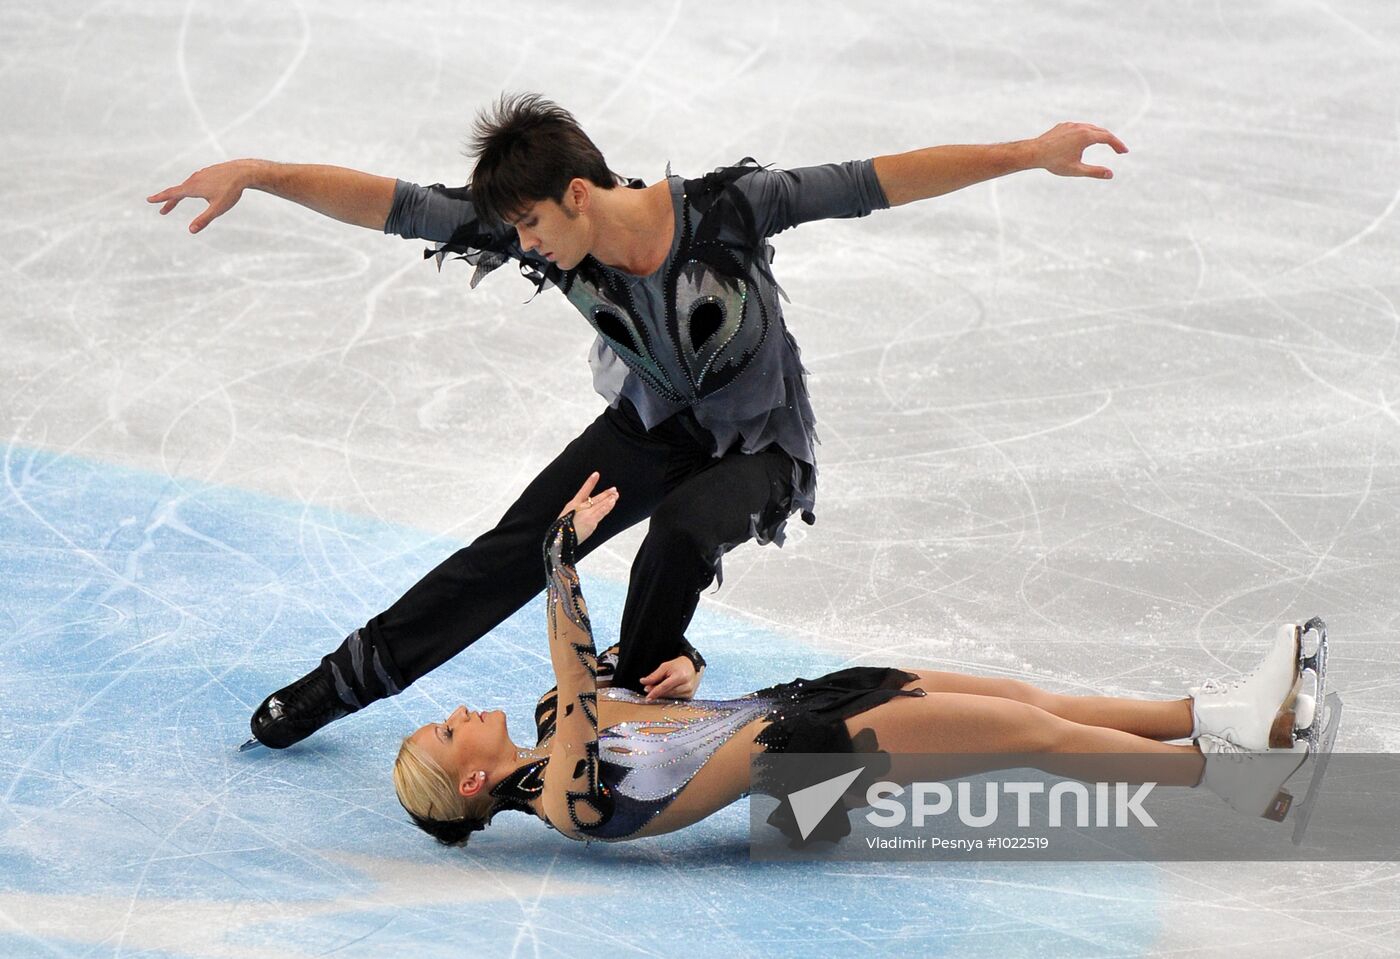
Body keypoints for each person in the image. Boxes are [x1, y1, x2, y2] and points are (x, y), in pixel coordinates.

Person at [148, 94, 1131, 749]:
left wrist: (1026, 154)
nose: (523, 247)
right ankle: (335, 686)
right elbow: (397, 205)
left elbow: (877, 179)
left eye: (531, 226)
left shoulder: (730, 212)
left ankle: (637, 686)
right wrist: (262, 170)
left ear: (576, 194)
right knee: (515, 547)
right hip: (648, 429)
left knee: (681, 533)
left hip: (759, 449)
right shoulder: (552, 237)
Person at [393, 475, 1322, 846]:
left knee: (1023, 698)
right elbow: (582, 690)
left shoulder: (562, 725)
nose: (459, 709)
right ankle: (1229, 784)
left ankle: (1230, 717)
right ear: (474, 779)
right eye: (447, 730)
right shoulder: (562, 798)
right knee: (1027, 735)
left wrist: (681, 678)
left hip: (798, 705)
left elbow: (656, 717)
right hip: (811, 752)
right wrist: (556, 561)